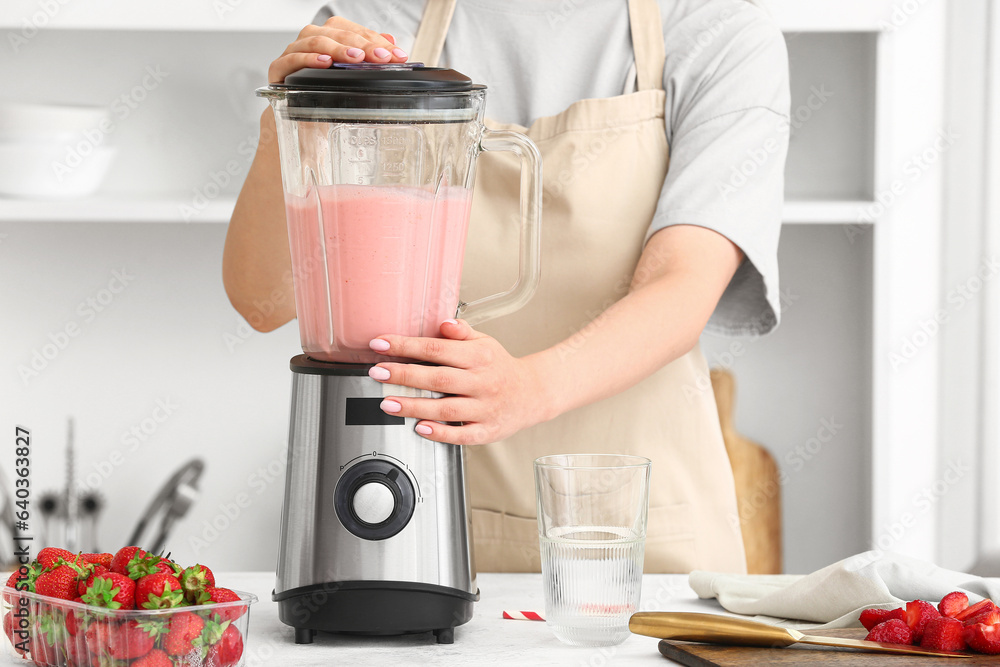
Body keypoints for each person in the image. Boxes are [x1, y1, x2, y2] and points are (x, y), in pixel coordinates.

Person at [223, 0, 790, 574]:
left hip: (644, 541)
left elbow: (683, 281)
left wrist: (528, 388)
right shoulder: (376, 27)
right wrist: (291, 120)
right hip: (427, 536)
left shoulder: (716, 30)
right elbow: (262, 297)